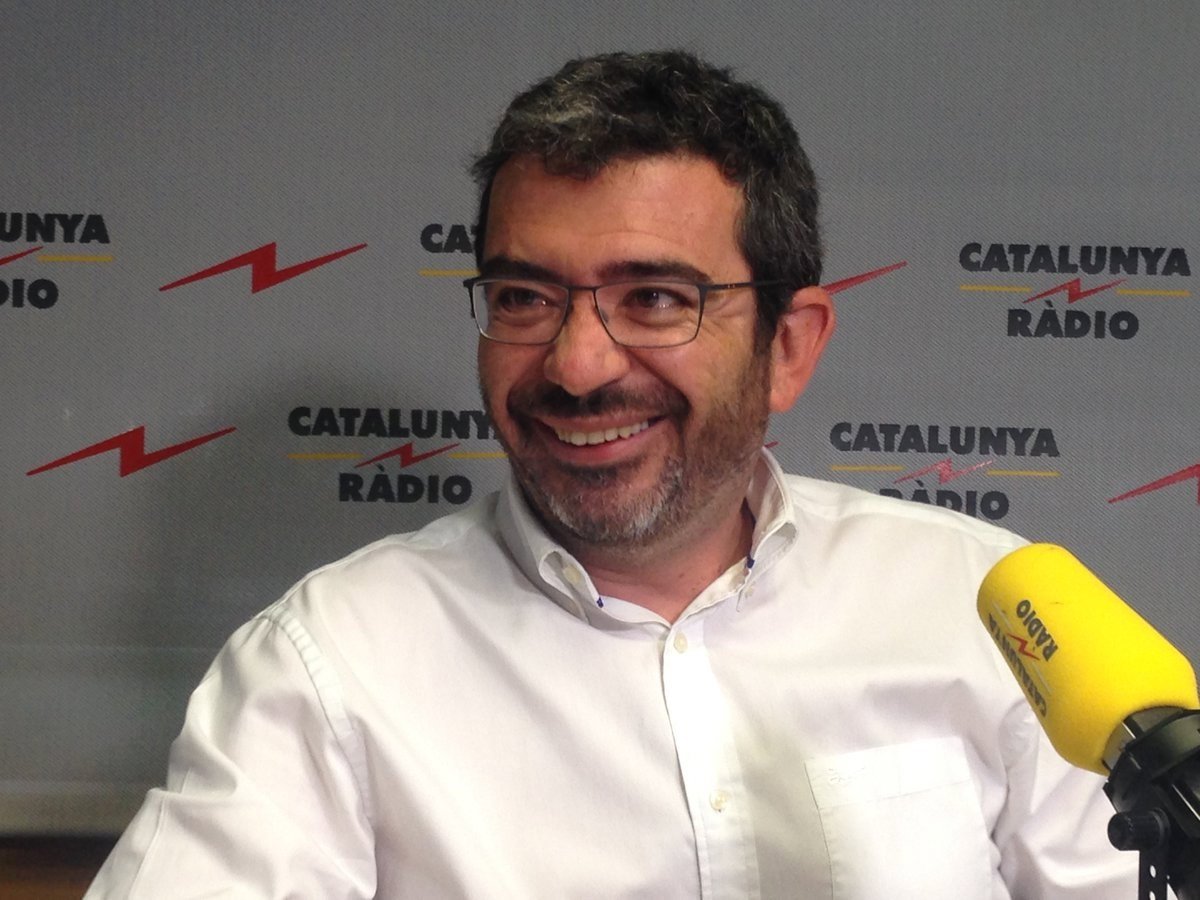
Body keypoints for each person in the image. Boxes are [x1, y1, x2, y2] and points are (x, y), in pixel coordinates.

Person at [88, 50, 1136, 898]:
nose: (578, 365)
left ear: (788, 346)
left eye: (655, 300)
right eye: (524, 298)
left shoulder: (992, 617)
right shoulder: (328, 666)